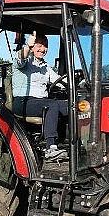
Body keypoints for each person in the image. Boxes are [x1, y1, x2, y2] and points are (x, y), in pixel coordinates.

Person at [12, 31, 67, 160]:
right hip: (22, 102)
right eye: (39, 45)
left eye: (45, 46)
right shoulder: (25, 61)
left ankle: (77, 143)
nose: (42, 49)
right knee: (51, 104)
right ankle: (51, 148)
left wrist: (78, 83)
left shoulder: (45, 66)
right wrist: (27, 47)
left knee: (73, 106)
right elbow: (21, 58)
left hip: (40, 102)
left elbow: (59, 81)